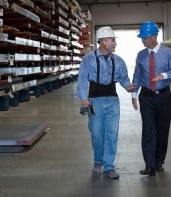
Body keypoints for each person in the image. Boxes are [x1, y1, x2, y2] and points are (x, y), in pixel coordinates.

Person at [77, 26, 134, 179]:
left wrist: (129, 87)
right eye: (112, 40)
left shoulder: (119, 60)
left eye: (114, 40)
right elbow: (82, 80)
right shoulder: (89, 59)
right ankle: (98, 161)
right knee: (96, 133)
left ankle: (109, 166)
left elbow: (123, 78)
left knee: (112, 134)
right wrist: (83, 98)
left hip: (113, 100)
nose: (115, 43)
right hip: (95, 101)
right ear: (102, 41)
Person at [132, 21, 171, 176]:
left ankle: (159, 162)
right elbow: (137, 75)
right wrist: (134, 94)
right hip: (146, 97)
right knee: (148, 130)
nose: (143, 41)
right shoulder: (141, 55)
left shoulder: (168, 53)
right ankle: (149, 165)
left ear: (153, 36)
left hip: (164, 97)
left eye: (145, 38)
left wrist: (163, 76)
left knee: (162, 130)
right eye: (142, 38)